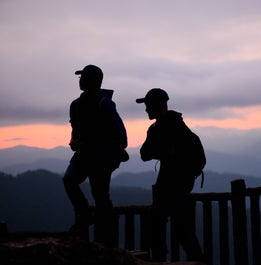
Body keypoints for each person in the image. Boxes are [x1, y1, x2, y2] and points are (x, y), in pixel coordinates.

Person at [136, 88, 205, 262]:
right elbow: (146, 153)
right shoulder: (177, 124)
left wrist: (161, 151)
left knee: (159, 219)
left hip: (171, 183)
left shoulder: (158, 128)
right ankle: (197, 259)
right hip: (182, 183)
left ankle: (160, 258)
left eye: (148, 105)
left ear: (157, 105)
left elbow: (144, 154)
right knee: (180, 226)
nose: (146, 109)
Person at [63, 64, 128, 247]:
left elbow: (122, 137)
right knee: (69, 180)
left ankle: (105, 240)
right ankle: (85, 215)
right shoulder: (76, 105)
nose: (80, 81)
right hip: (84, 155)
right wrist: (74, 142)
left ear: (95, 81)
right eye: (80, 77)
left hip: (101, 159)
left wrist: (105, 149)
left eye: (83, 77)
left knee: (100, 196)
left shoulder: (104, 104)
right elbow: (75, 130)